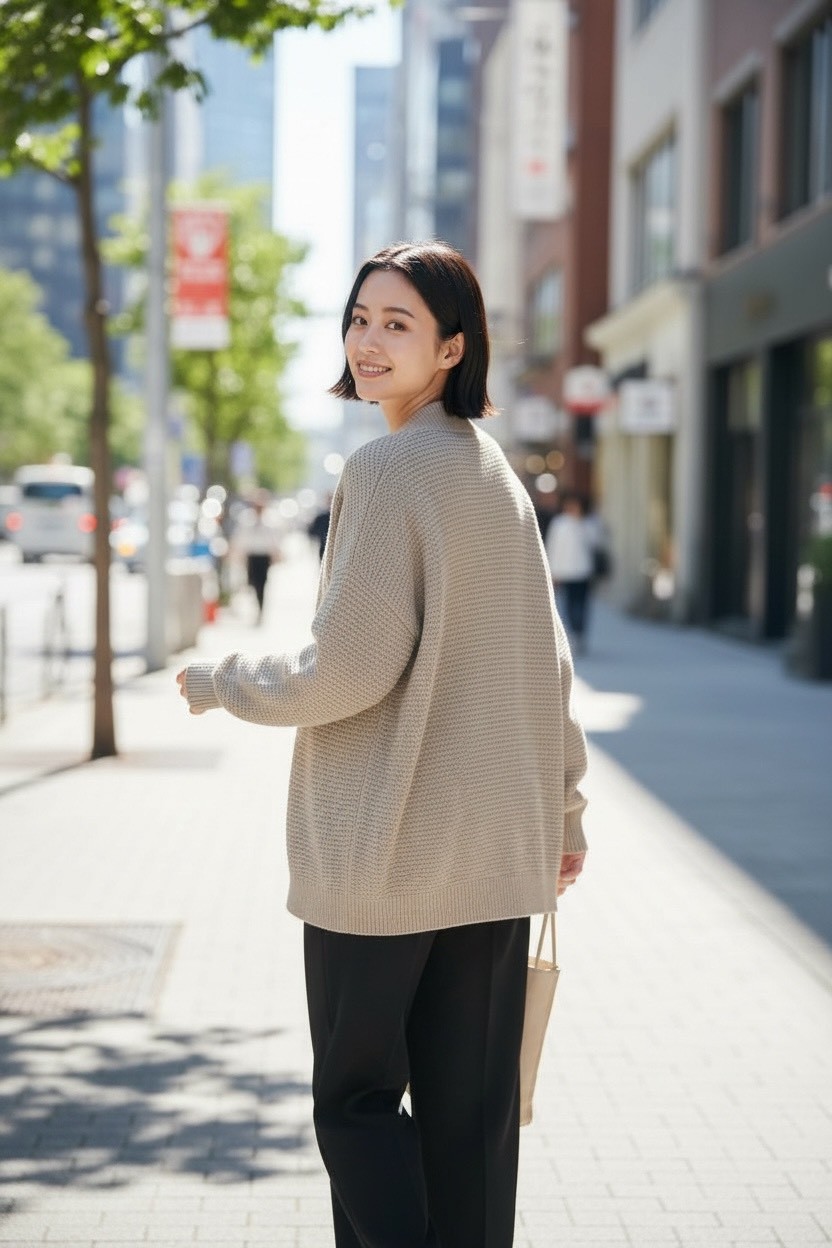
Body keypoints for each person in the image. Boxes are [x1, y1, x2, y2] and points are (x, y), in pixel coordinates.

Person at [177, 240, 588, 1248]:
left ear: (453, 346)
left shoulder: (387, 467)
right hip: (495, 859)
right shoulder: (491, 471)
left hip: (386, 859)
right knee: (473, 1126)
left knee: (356, 1107)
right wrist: (565, 814)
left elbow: (347, 672)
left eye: (397, 323)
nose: (368, 340)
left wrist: (221, 682)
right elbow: (551, 666)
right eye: (360, 319)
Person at [545, 491, 596, 654]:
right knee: (568, 605)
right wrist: (552, 572)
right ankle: (573, 635)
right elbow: (553, 547)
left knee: (582, 605)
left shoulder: (587, 524)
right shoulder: (559, 523)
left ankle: (580, 634)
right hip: (565, 572)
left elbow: (596, 542)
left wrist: (580, 522)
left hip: (583, 571)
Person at [231, 495, 282, 623]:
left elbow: (275, 539)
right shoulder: (246, 519)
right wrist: (237, 554)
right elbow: (241, 538)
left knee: (262, 583)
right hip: (252, 556)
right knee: (252, 582)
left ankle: (261, 608)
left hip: (264, 557)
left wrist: (276, 554)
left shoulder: (270, 521)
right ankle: (256, 604)